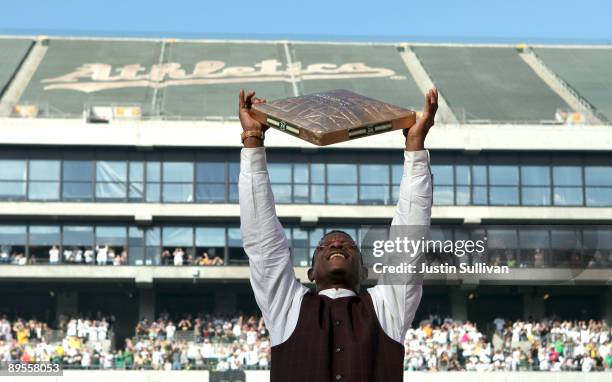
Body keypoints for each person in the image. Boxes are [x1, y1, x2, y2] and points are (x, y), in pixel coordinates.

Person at [238, 88, 437, 381]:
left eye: (348, 245)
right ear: (311, 274)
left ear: (364, 271)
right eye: (324, 245)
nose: (336, 243)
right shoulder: (287, 306)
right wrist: (252, 140)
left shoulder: (387, 306)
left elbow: (410, 242)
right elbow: (262, 239)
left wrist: (415, 148)